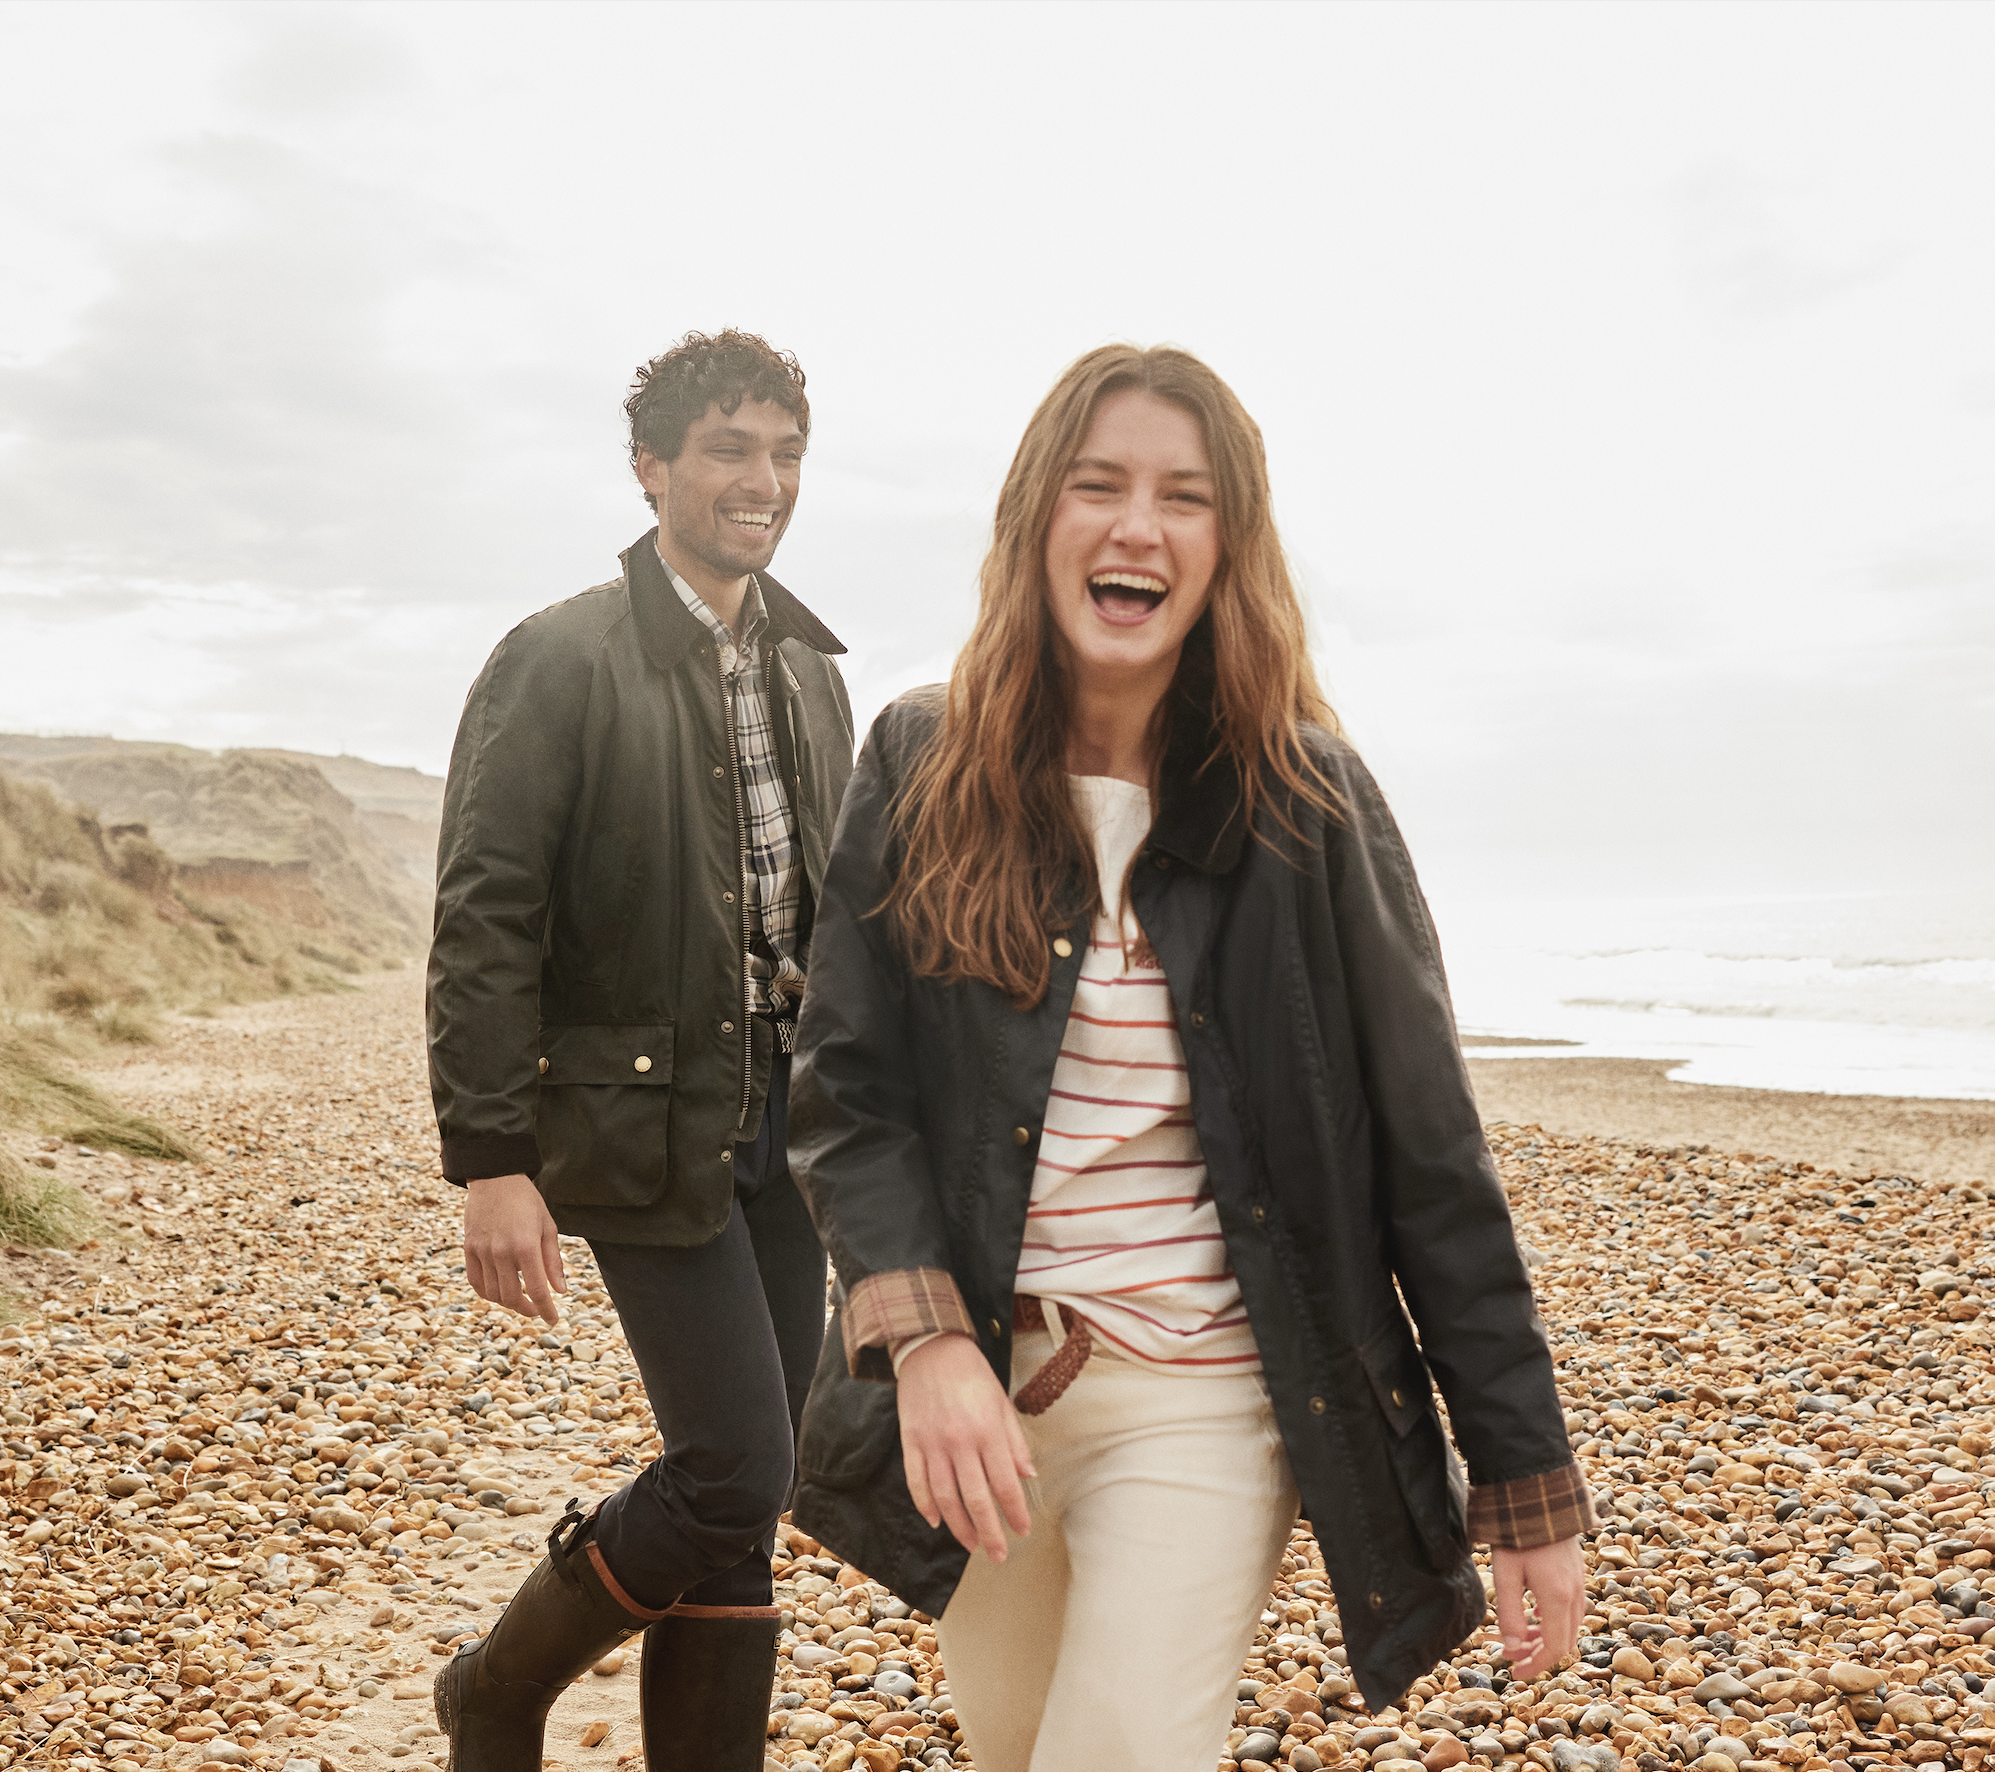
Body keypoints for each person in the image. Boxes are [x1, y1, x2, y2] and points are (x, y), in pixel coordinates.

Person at [786, 344, 1595, 1770]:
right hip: (985, 1395)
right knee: (1016, 1743)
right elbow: (849, 1091)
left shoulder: (1306, 803)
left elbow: (1428, 1149)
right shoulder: (920, 757)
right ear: (1038, 517)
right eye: (1097, 485)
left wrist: (1523, 1476)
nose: (1135, 527)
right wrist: (923, 1344)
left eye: (1184, 498)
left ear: (1228, 549)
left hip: (1206, 1399)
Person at [425, 329, 856, 1771]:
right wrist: (490, 1159)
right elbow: (486, 916)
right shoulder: (556, 659)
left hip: (783, 1131)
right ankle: (494, 1686)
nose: (763, 481)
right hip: (637, 1130)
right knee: (739, 1463)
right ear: (651, 467)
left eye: (784, 453)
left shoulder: (806, 666)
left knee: (742, 1490)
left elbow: (825, 918)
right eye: (730, 450)